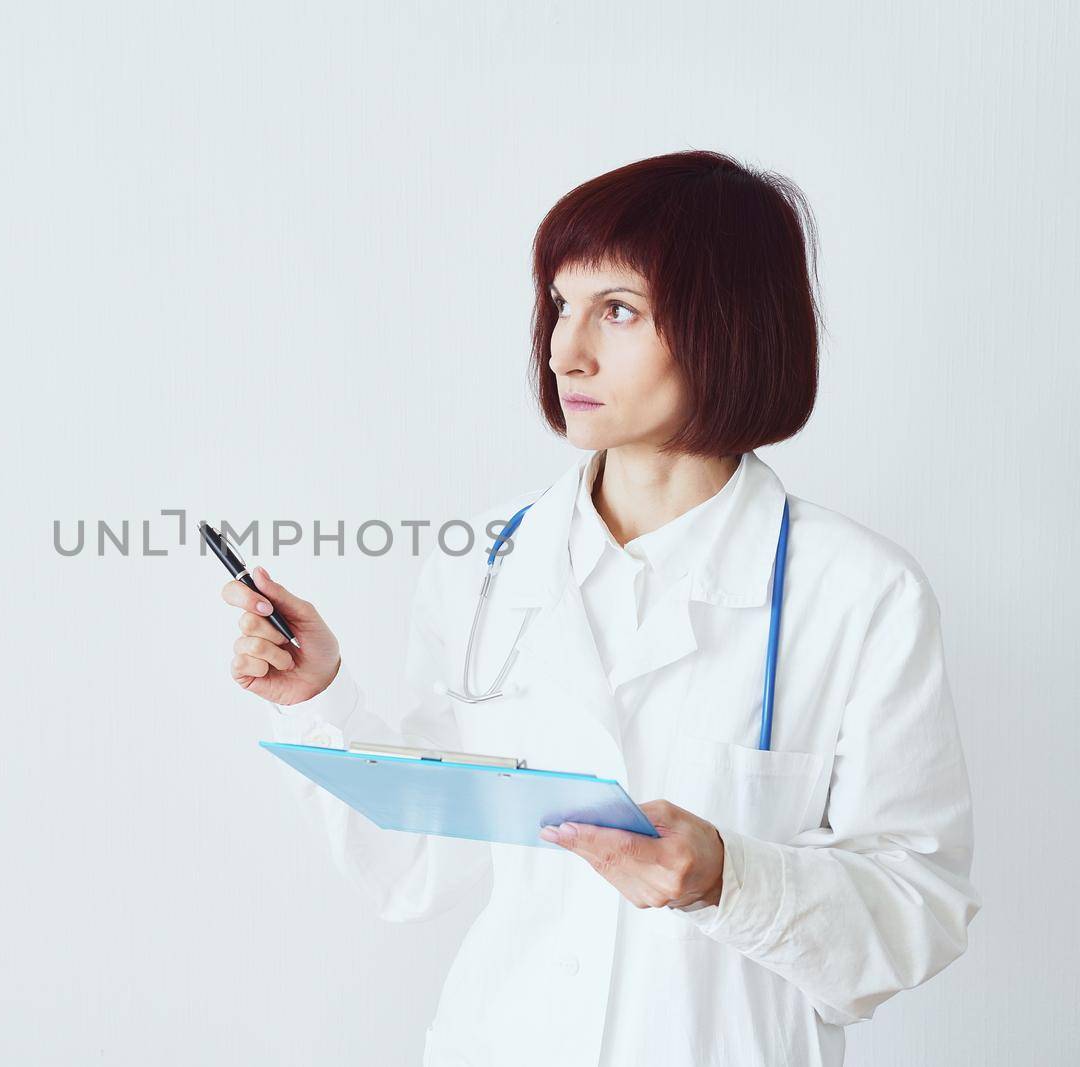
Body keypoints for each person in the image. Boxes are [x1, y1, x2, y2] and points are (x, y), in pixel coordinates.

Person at [220, 150, 979, 1067]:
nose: (562, 349)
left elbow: (916, 915)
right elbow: (417, 868)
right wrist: (321, 701)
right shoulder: (485, 567)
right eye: (560, 303)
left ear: (726, 325)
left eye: (616, 310)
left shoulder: (859, 594)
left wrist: (729, 877)